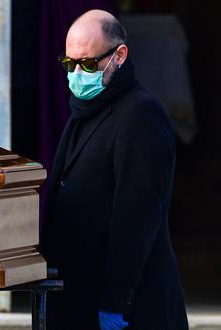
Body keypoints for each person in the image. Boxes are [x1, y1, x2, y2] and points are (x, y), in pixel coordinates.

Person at [40, 9, 189, 330]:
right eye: (70, 64)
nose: (78, 73)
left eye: (89, 64)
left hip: (126, 305)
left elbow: (136, 219)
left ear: (119, 55)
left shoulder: (140, 115)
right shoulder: (86, 109)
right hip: (78, 294)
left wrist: (115, 304)